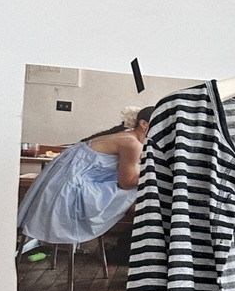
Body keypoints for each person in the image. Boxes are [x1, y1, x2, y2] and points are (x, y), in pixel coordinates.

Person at [16, 105, 154, 248]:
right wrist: (153, 173)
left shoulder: (124, 136)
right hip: (67, 196)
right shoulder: (132, 143)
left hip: (56, 190)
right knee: (141, 194)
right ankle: (133, 247)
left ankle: (128, 246)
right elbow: (126, 182)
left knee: (140, 196)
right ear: (143, 124)